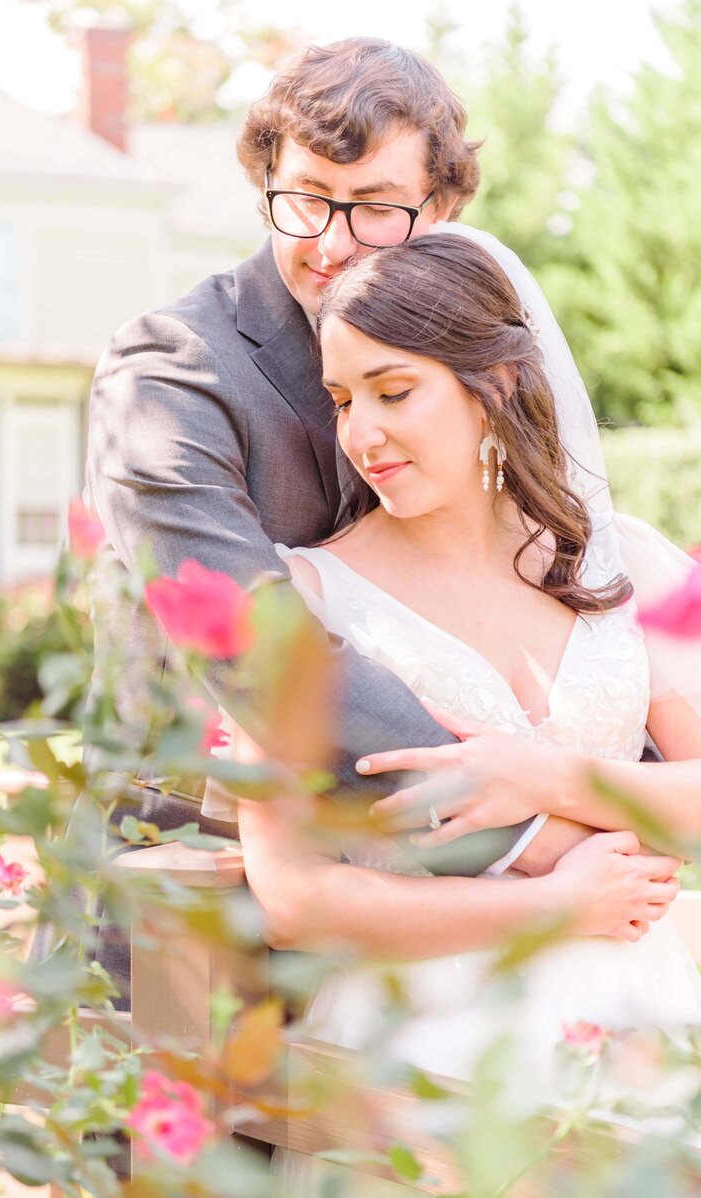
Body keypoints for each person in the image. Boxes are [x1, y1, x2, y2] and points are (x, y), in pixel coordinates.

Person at [86, 37, 591, 904]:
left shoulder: (479, 364)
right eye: (306, 200)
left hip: (465, 918)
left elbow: (554, 599)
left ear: (442, 207)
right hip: (199, 904)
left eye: (374, 208)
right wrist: (538, 839)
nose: (332, 242)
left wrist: (623, 797)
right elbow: (260, 651)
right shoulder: (169, 371)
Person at [232, 230, 701, 1093]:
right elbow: (294, 899)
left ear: (497, 381)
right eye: (341, 399)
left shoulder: (628, 559)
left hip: (647, 1009)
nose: (361, 434)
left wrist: (548, 779)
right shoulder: (304, 597)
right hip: (425, 1042)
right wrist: (553, 907)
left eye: (394, 391)